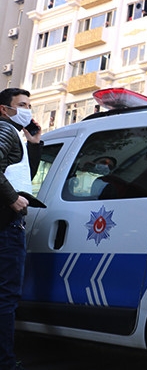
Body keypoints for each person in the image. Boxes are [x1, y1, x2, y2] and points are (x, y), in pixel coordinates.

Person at [0, 88, 42, 370]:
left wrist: (35, 144)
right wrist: (12, 199)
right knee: (6, 297)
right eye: (22, 105)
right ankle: (5, 362)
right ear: (5, 109)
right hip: (5, 225)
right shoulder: (4, 129)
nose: (27, 109)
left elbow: (21, 176)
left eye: (29, 104)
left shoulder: (15, 135)